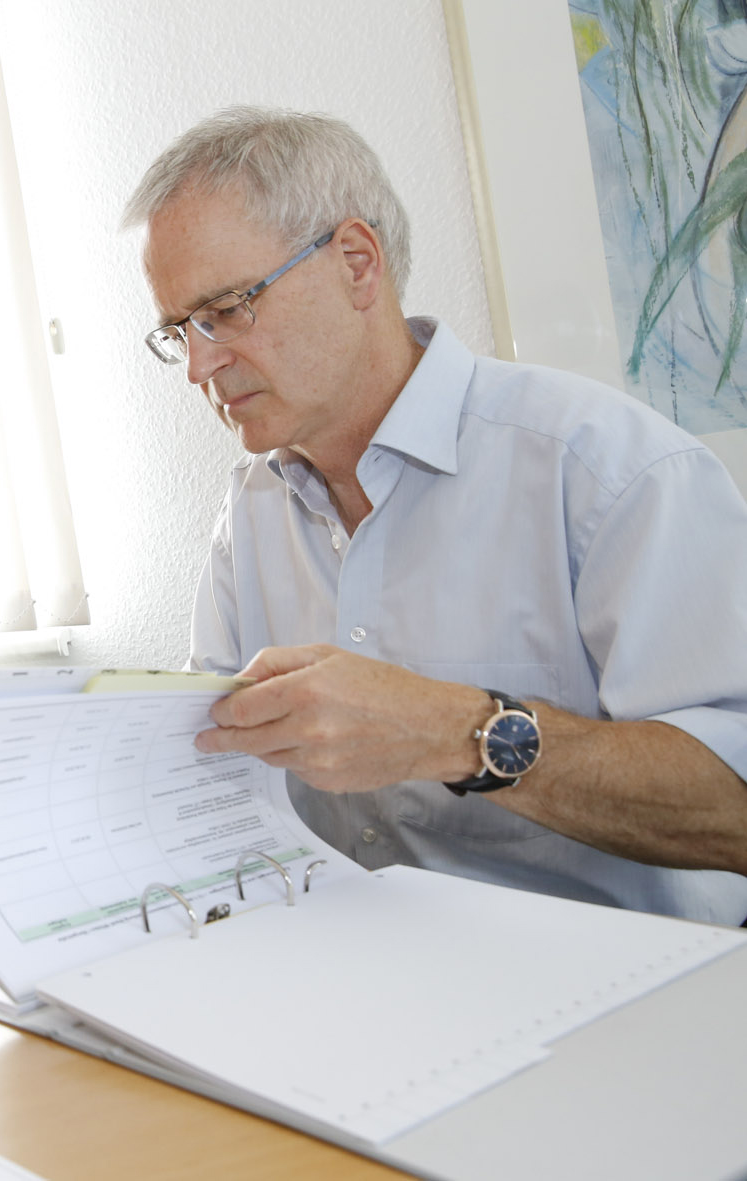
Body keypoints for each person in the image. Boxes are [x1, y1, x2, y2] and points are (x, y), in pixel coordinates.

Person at [124, 107, 747, 923]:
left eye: (228, 309)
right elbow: (216, 778)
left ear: (356, 263)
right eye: (179, 332)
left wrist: (456, 731)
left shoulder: (610, 471)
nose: (199, 365)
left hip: (612, 981)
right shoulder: (249, 515)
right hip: (347, 971)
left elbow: (734, 808)